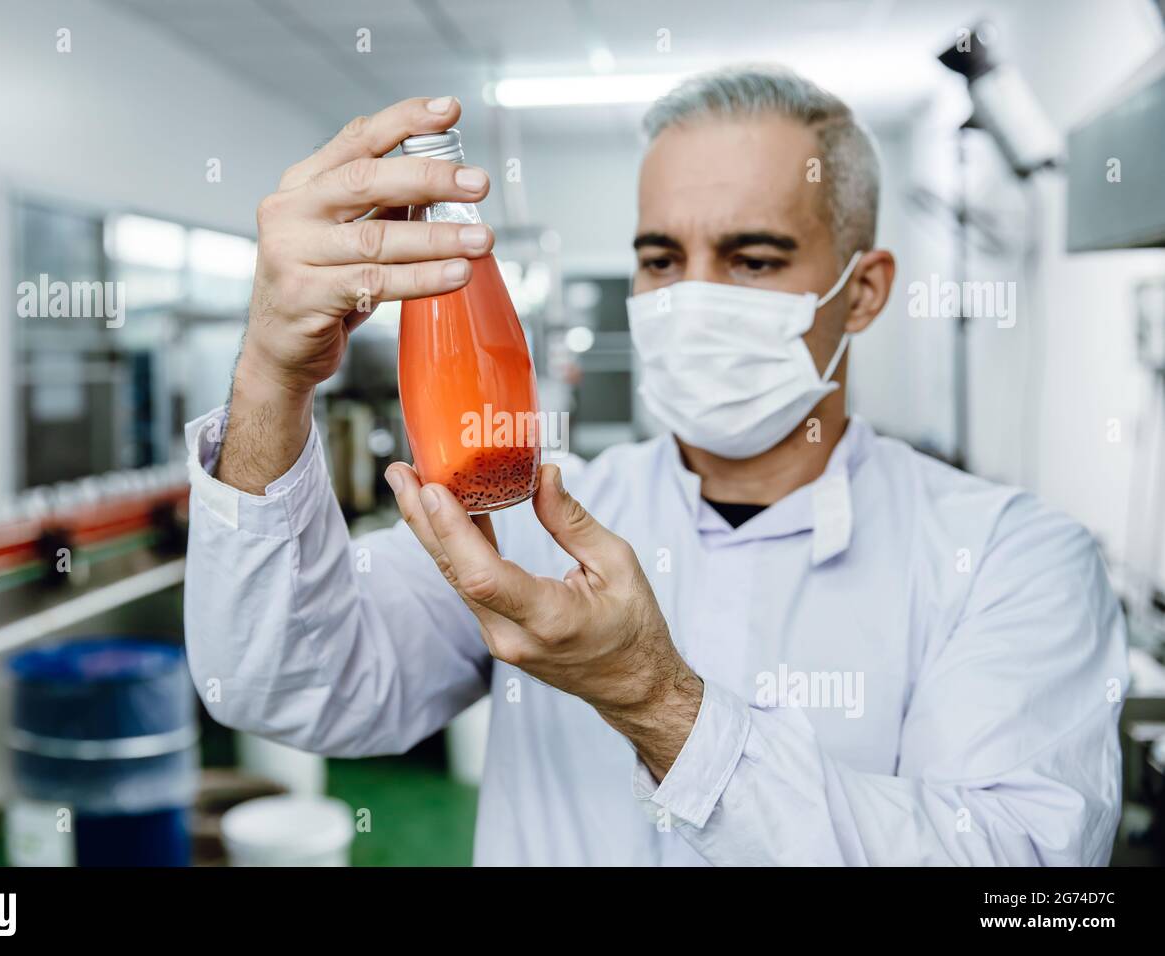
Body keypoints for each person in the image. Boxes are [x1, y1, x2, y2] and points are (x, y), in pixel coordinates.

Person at [182, 66, 1127, 865]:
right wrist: (273, 377)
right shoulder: (531, 511)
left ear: (864, 290)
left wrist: (655, 700)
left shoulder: (1011, 559)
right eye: (662, 258)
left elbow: (1019, 877)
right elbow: (278, 681)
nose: (694, 297)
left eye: (753, 259)